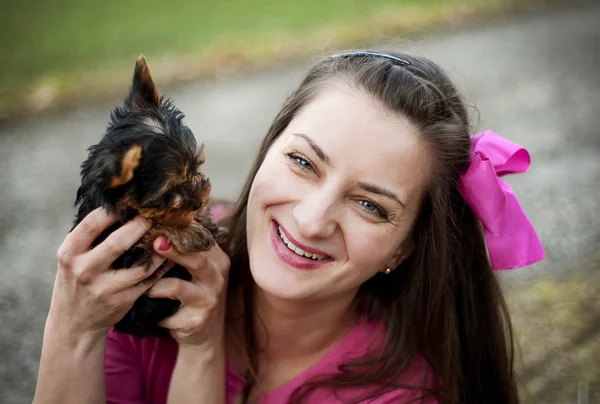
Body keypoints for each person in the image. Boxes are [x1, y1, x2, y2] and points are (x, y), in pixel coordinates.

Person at [33, 51, 545, 404]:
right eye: (303, 163)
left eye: (370, 204)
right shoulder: (149, 260)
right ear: (268, 148)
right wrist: (75, 327)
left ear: (407, 246)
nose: (310, 219)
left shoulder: (401, 396)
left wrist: (204, 349)